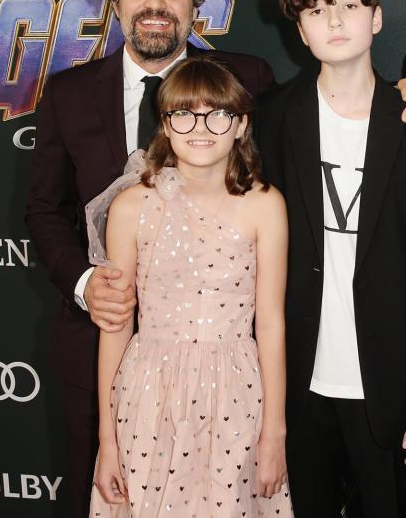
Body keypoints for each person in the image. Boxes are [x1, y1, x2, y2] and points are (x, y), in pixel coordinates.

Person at [25, 0, 406, 516]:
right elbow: (43, 208)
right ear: (114, 2)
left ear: (196, 3)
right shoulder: (67, 94)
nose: (155, 4)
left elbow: (344, 104)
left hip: (237, 381)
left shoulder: (248, 86)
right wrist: (86, 281)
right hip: (111, 358)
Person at [257, 0, 406, 517]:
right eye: (318, 11)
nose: (336, 21)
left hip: (390, 379)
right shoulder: (271, 118)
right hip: (296, 379)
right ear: (299, 29)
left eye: (350, 5)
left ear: (378, 17)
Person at [86, 58, 293, 516]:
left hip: (235, 397)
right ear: (165, 124)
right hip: (146, 396)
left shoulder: (264, 205)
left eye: (218, 114)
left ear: (240, 126)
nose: (201, 128)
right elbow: (116, 326)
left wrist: (274, 431)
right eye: (184, 113)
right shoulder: (131, 206)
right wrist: (107, 438)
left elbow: (272, 323)